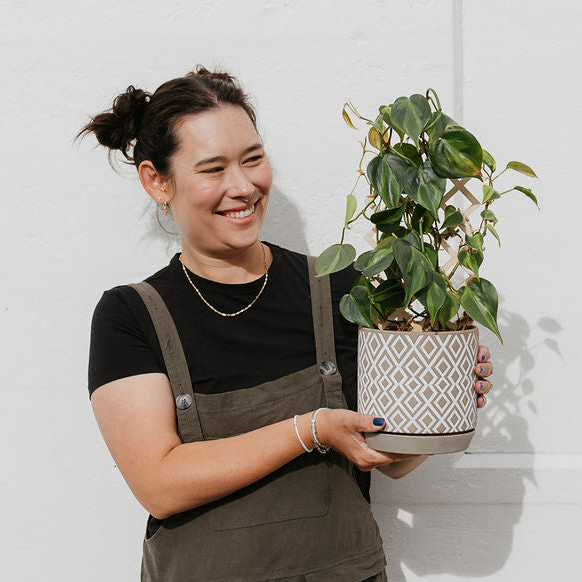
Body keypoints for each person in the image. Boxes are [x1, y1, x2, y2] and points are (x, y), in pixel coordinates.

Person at [80, 67, 493, 582]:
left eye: (253, 159)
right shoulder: (131, 315)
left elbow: (385, 456)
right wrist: (311, 429)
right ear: (156, 181)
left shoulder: (337, 288)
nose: (243, 186)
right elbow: (159, 484)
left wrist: (437, 402)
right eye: (213, 169)